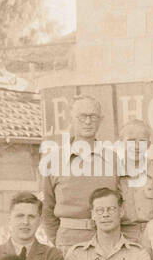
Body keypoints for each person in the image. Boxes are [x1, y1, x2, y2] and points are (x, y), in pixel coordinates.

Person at [44, 95, 123, 249]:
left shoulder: (113, 159)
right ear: (71, 118)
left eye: (93, 116)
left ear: (101, 119)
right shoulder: (53, 160)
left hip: (106, 239)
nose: (88, 122)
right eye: (82, 116)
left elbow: (121, 202)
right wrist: (59, 241)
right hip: (69, 241)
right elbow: (47, 210)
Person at [117, 118, 153, 241]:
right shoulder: (114, 175)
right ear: (121, 143)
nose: (137, 146)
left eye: (142, 141)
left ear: (149, 145)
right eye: (131, 141)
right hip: (124, 236)